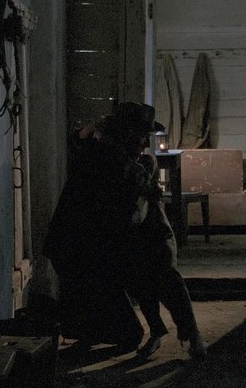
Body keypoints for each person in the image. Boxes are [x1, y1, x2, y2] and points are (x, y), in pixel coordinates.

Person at [43, 102, 163, 352]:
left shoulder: (110, 154)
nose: (146, 143)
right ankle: (95, 333)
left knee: (91, 289)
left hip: (84, 243)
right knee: (95, 292)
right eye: (142, 137)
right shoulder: (109, 159)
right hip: (78, 242)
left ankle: (92, 333)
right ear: (127, 135)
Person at [123, 151, 207, 361]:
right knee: (143, 287)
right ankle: (157, 332)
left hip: (158, 236)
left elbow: (140, 207)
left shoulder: (143, 163)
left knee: (172, 285)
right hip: (138, 239)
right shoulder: (125, 165)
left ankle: (193, 336)